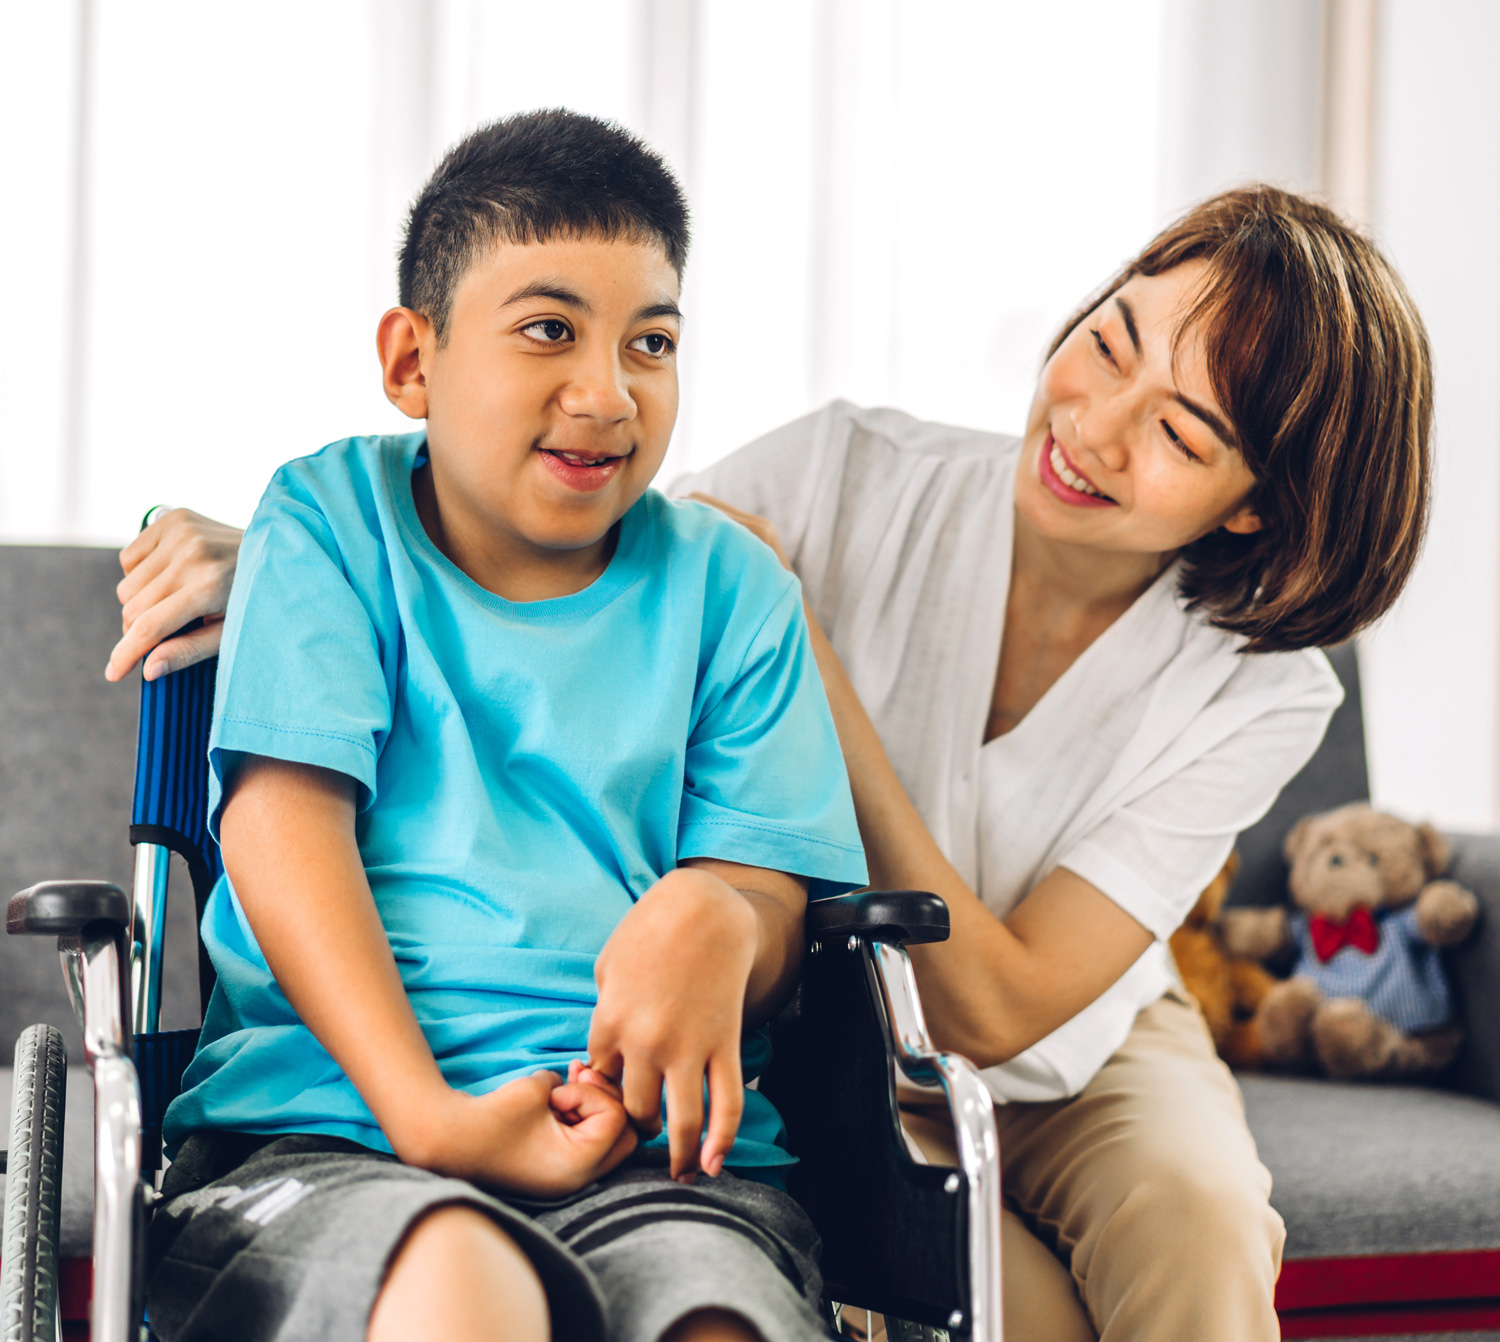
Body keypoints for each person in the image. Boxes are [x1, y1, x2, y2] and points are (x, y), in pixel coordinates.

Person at [113, 186, 1434, 1342]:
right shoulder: (849, 468)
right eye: (1106, 342)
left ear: (1254, 499)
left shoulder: (1263, 688)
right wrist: (282, 557)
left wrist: (814, 667)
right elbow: (555, 514)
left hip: (1064, 1040)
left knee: (1200, 1227)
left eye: (1184, 433)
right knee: (1000, 1307)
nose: (1093, 423)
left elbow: (1000, 1001)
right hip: (828, 1018)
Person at [138, 110, 868, 1342]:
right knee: (457, 1292)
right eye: (548, 330)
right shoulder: (325, 521)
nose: (607, 391)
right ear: (412, 361)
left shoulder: (732, 589)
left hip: (657, 1153)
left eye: (653, 342)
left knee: (715, 1324)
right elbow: (278, 824)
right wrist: (427, 1113)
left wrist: (725, 914)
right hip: (331, 1128)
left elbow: (778, 910)